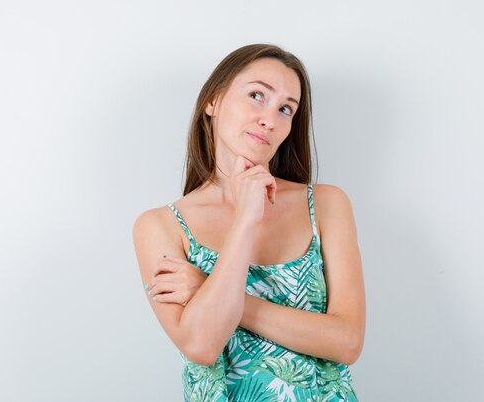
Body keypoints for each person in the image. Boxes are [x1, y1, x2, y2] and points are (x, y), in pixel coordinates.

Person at [132, 43, 365, 401]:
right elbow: (201, 345)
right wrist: (245, 219)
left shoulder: (326, 203)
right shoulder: (161, 226)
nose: (270, 119)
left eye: (286, 109)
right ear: (213, 100)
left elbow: (347, 342)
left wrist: (207, 288)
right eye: (257, 95)